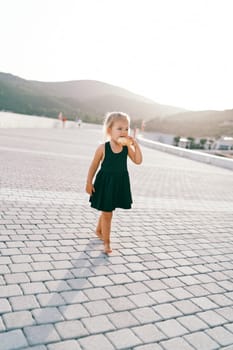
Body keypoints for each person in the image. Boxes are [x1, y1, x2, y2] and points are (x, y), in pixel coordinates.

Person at [85, 111, 143, 254]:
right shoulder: (103, 148)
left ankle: (99, 230)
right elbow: (93, 166)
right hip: (105, 182)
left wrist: (136, 145)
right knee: (107, 213)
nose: (124, 132)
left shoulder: (126, 148)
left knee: (107, 210)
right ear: (110, 130)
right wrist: (89, 182)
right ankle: (106, 242)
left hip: (119, 183)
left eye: (126, 129)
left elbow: (138, 161)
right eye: (120, 128)